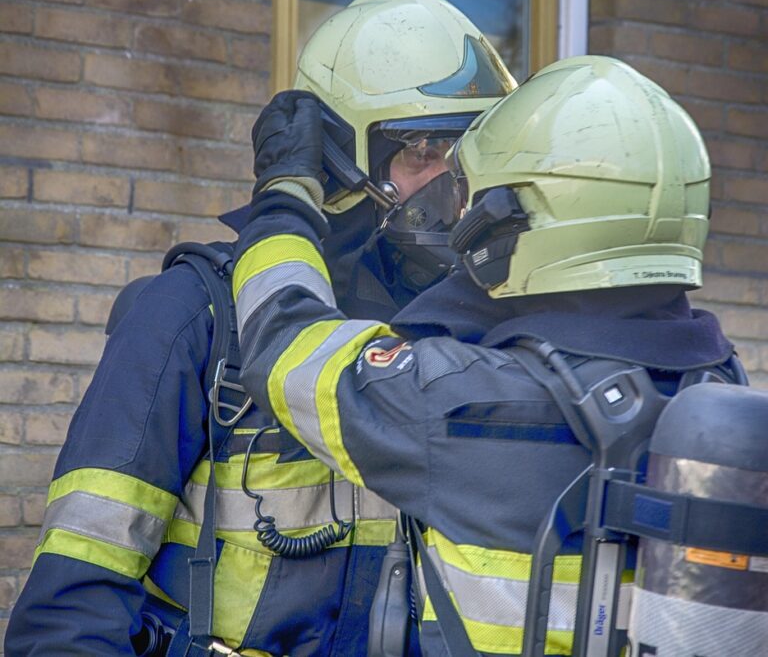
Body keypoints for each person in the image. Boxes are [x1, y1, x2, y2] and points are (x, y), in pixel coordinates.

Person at [7, 0, 516, 657]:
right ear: (338, 159)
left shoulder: (469, 334)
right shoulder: (196, 312)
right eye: (423, 151)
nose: (452, 187)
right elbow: (70, 613)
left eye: (467, 155)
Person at [229, 55, 741, 657]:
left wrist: (284, 198)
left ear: (519, 221)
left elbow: (283, 340)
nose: (461, 216)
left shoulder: (459, 397)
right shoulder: (722, 395)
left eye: (477, 200)